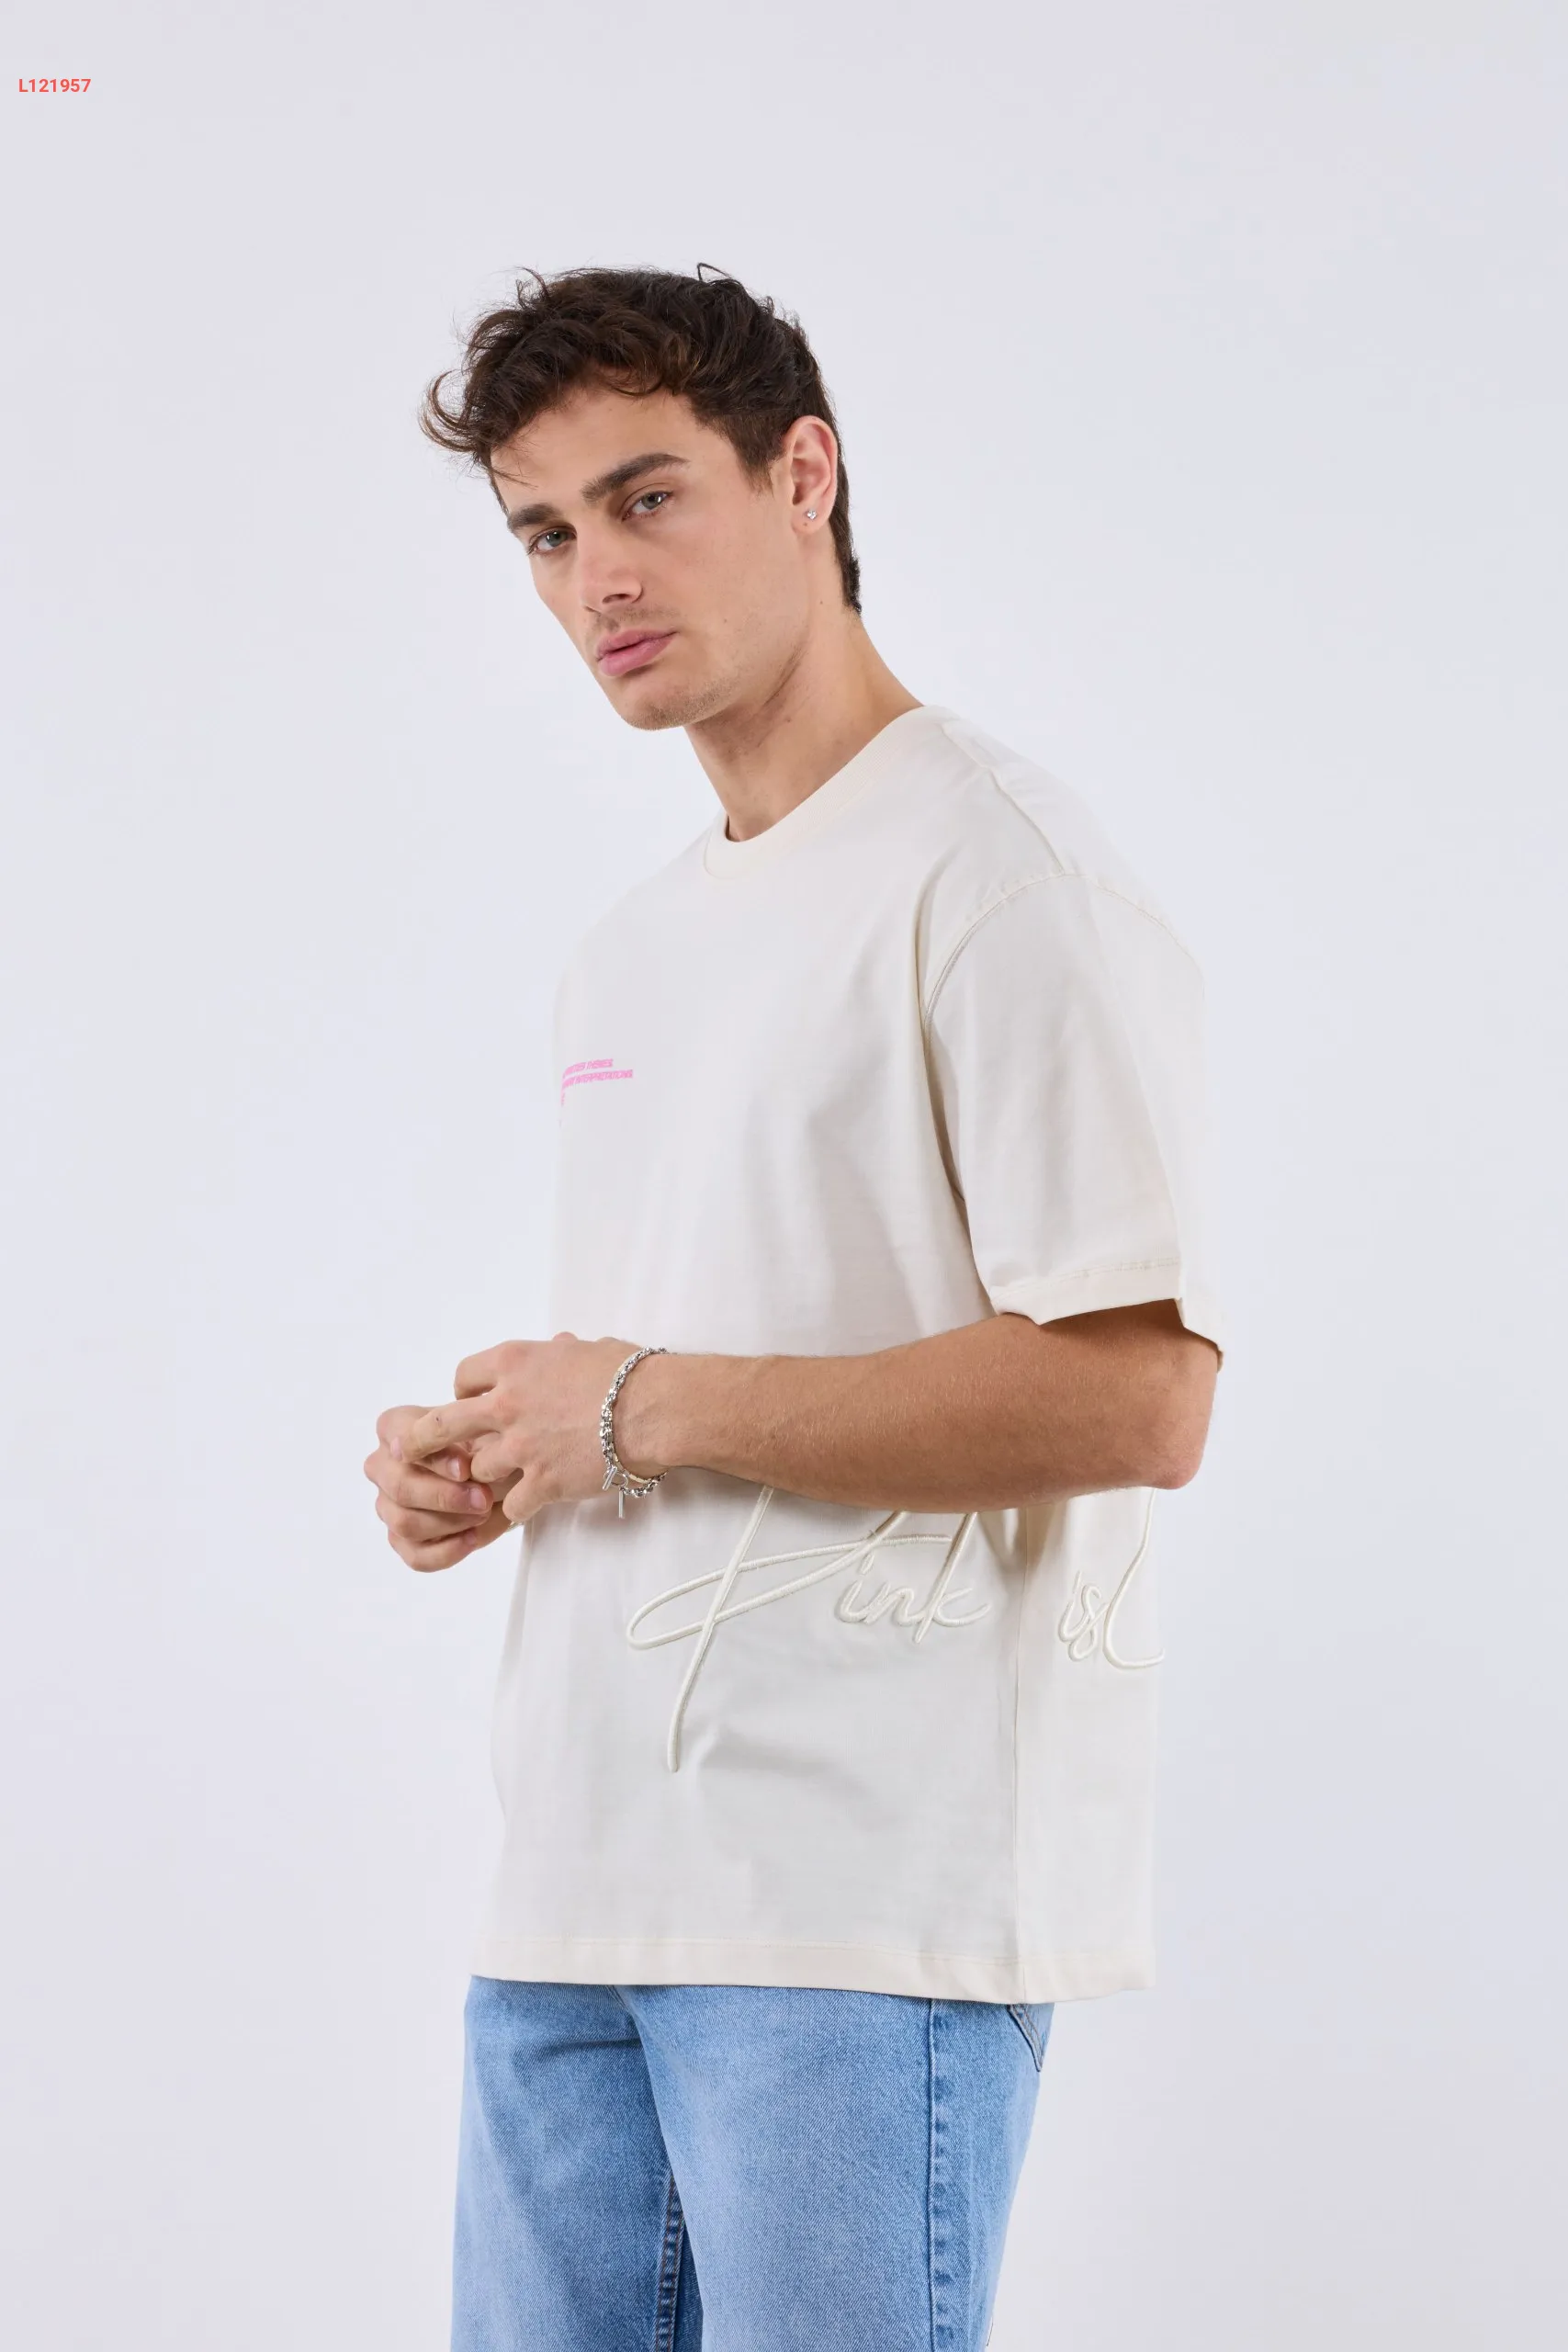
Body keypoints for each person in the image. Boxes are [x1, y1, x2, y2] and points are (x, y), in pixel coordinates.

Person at [364, 266, 1224, 2352]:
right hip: (570, 1887)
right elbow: (688, 1356)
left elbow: (1134, 1397)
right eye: (543, 532)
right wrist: (505, 1452)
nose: (593, 578)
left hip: (850, 1912)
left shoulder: (994, 871)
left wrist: (631, 1406)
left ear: (803, 474)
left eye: (645, 497)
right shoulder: (633, 945)